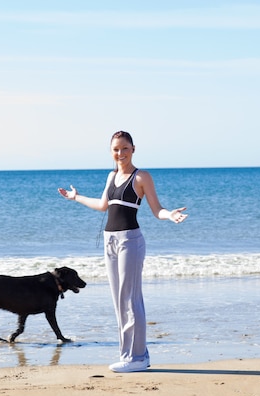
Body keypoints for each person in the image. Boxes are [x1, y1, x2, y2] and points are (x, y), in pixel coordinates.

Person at [58, 130, 188, 373]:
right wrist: (76, 197)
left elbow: (156, 209)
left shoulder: (141, 177)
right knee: (119, 300)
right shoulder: (112, 176)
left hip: (130, 240)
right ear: (111, 151)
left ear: (133, 149)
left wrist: (170, 215)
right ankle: (131, 355)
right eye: (116, 149)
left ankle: (136, 356)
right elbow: (102, 206)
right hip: (110, 241)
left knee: (130, 298)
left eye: (125, 149)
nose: (120, 153)